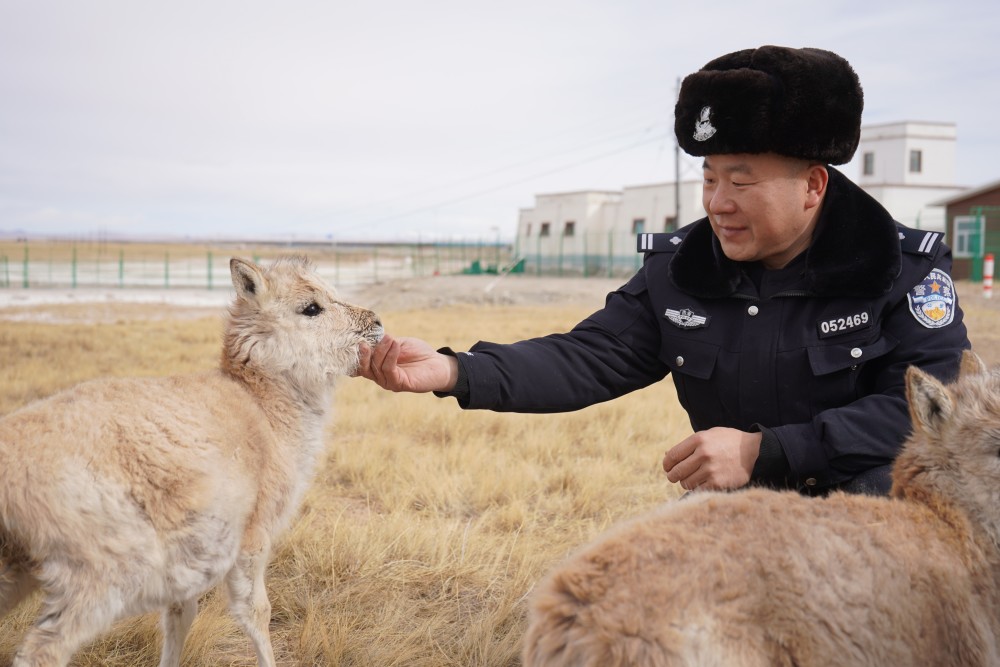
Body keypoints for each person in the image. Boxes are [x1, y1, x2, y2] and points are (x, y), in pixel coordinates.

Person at [357, 45, 970, 497]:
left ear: (812, 185)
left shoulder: (901, 272)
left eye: (740, 180)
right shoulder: (682, 270)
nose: (716, 202)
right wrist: (454, 370)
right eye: (708, 178)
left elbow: (930, 409)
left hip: (877, 522)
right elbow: (588, 357)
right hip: (735, 515)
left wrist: (766, 451)